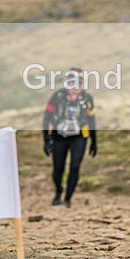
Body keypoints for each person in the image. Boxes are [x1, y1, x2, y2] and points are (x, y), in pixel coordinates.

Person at [42, 67, 97, 208]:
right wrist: (46, 139)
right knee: (58, 169)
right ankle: (59, 190)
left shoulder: (87, 98)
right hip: (59, 136)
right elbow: (46, 118)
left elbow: (91, 120)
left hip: (79, 137)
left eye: (79, 82)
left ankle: (67, 198)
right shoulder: (58, 97)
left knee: (75, 166)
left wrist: (94, 141)